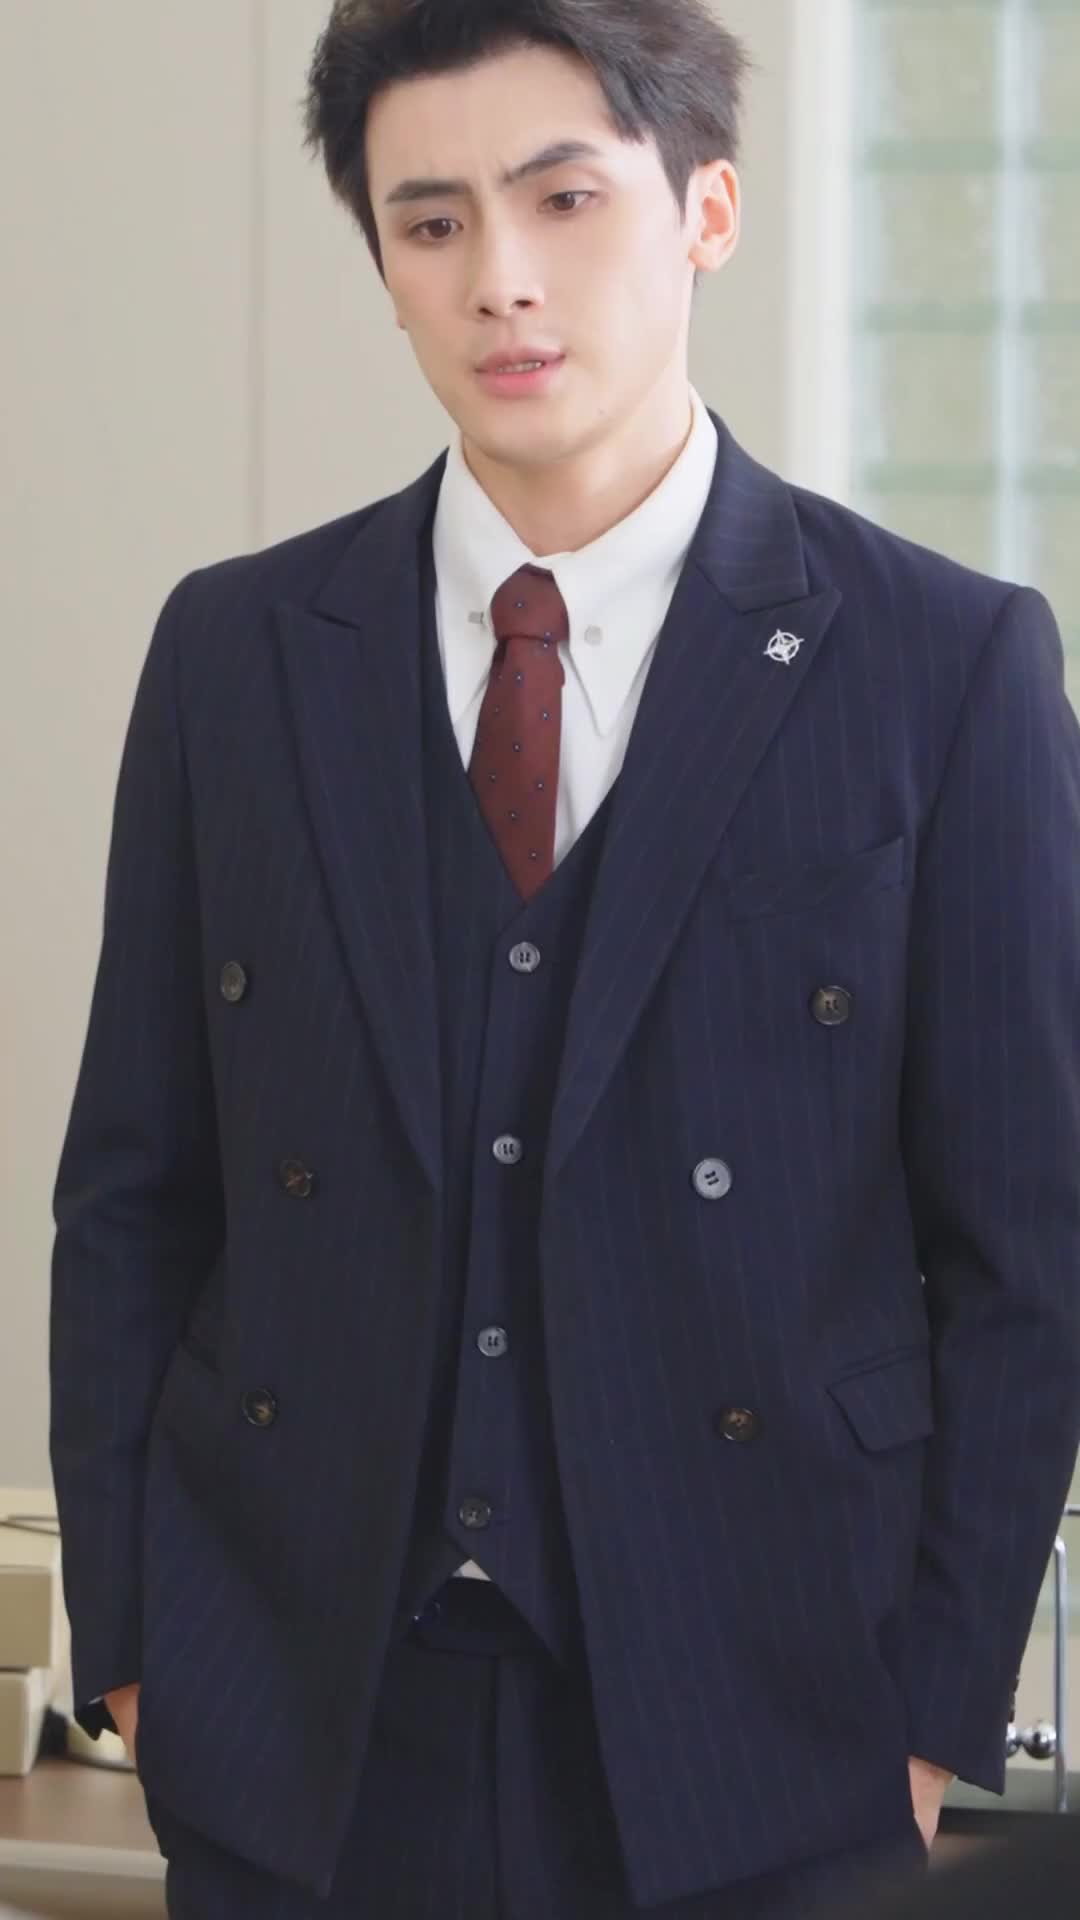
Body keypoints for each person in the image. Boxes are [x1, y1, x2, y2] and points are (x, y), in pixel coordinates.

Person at [47, 1, 1080, 1915]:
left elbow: (1029, 1249)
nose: (500, 282)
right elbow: (131, 1193)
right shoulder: (236, 657)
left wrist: (935, 1703)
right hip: (297, 1727)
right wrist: (132, 1640)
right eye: (431, 222)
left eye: (564, 199)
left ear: (708, 211)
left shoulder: (946, 669)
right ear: (381, 259)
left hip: (773, 1724)